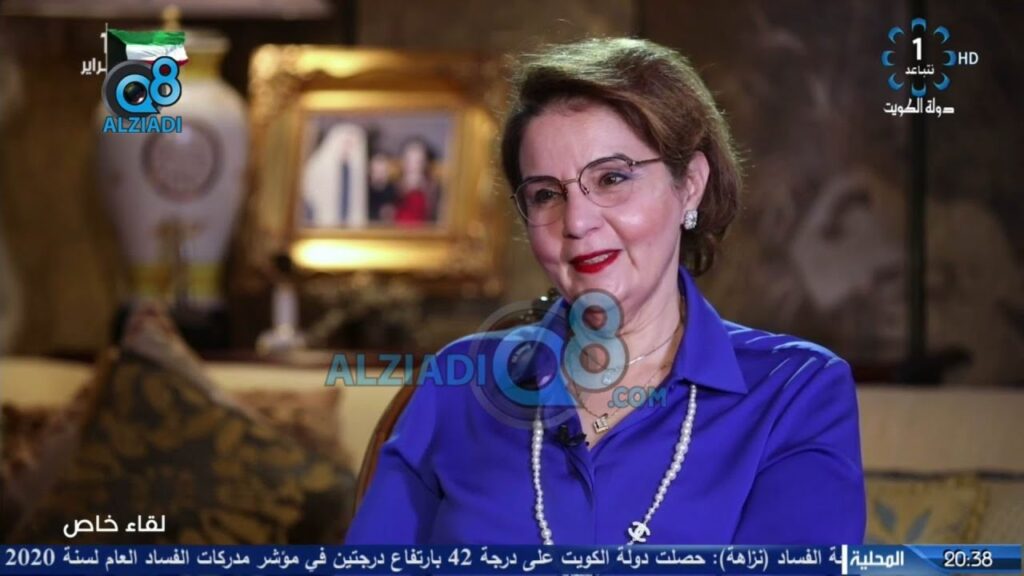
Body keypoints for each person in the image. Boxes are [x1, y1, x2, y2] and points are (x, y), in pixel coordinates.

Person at [346, 37, 865, 545]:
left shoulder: (795, 391)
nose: (577, 221)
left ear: (690, 184)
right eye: (546, 194)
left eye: (612, 179)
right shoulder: (460, 384)